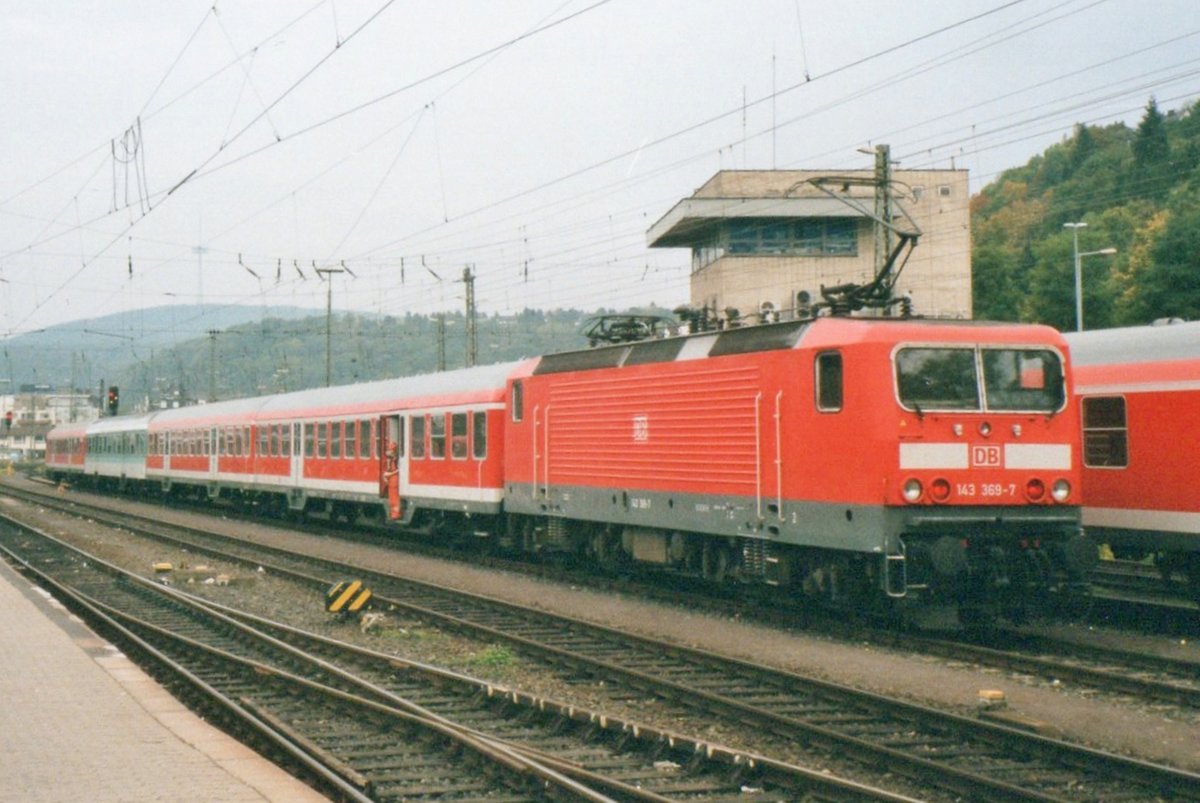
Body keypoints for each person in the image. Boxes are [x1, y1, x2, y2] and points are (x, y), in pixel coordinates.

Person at [383, 442, 401, 519]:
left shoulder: (394, 460)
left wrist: (388, 475)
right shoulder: (393, 459)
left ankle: (395, 514)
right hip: (392, 479)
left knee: (394, 498)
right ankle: (394, 513)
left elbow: (396, 470)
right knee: (393, 498)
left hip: (393, 479)